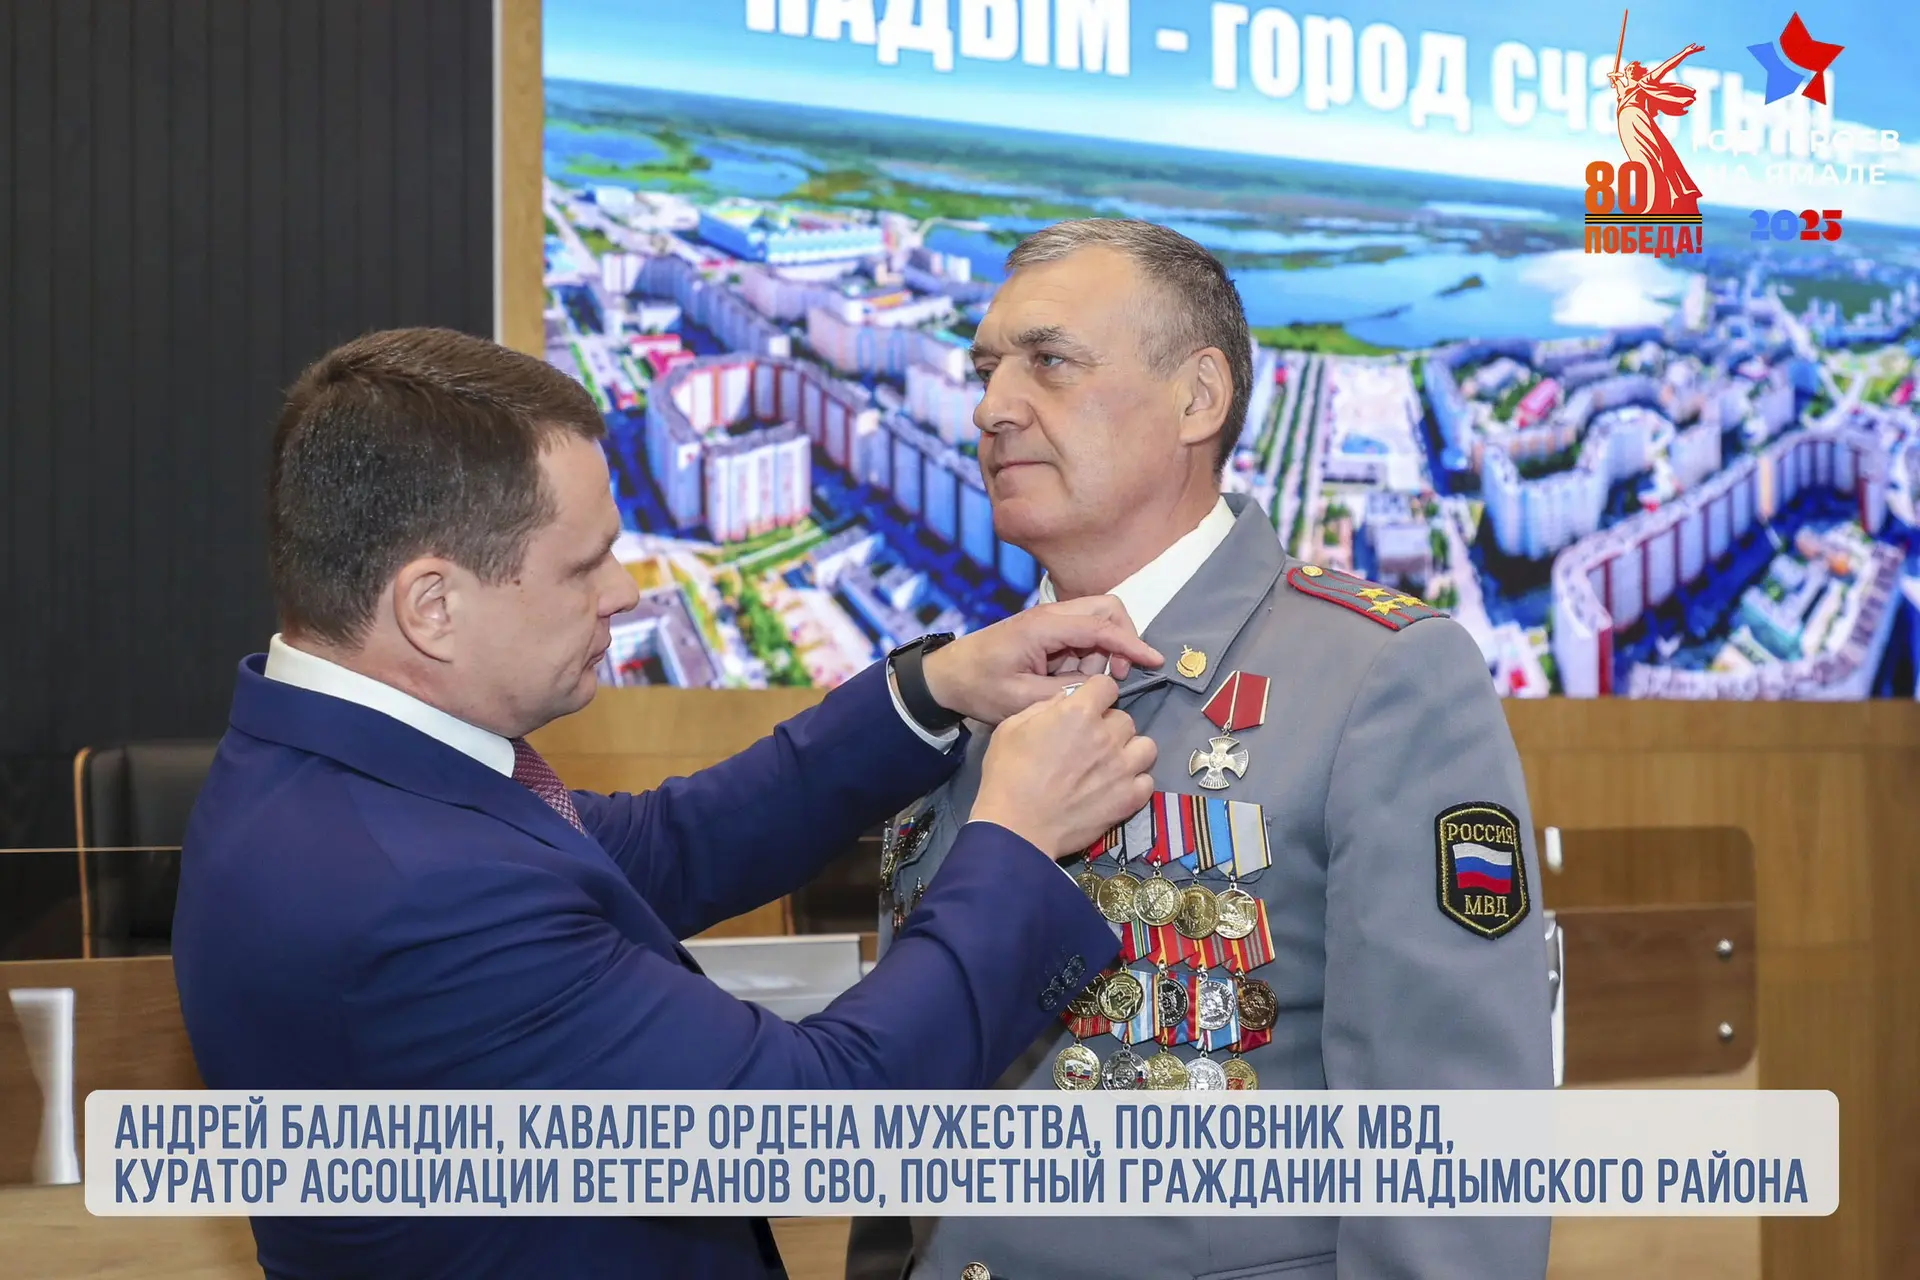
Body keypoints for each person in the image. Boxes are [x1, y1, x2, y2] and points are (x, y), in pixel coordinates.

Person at [170, 327, 1168, 1279]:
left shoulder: (326, 770)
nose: (625, 590)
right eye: (584, 564)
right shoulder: (418, 887)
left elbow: (666, 846)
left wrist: (931, 687)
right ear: (432, 606)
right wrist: (1015, 837)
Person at [852, 220, 1554, 1280]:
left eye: (1049, 361)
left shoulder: (1380, 679)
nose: (992, 407)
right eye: (986, 369)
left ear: (1198, 397)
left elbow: (1451, 1167)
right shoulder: (966, 689)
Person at [1607, 43, 1706, 217]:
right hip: (1627, 126)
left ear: (1639, 73)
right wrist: (1615, 79)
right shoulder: (1624, 90)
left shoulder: (1644, 82)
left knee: (1653, 158)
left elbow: (1666, 67)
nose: (1630, 70)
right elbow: (1619, 87)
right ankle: (1653, 200)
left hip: (1638, 122)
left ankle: (1662, 201)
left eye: (1633, 69)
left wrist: (1684, 53)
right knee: (1640, 161)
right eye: (1629, 69)